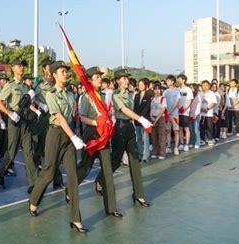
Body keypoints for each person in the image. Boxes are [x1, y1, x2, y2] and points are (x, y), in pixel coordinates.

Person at [28, 61, 88, 233]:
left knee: (72, 176)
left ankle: (76, 219)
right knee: (48, 172)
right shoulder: (51, 94)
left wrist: (74, 136)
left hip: (68, 136)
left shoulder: (70, 95)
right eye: (62, 71)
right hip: (55, 134)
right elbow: (60, 118)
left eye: (66, 72)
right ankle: (33, 200)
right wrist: (74, 136)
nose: (65, 74)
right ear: (54, 75)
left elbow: (70, 117)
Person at [95, 69, 152, 208]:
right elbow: (124, 110)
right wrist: (141, 119)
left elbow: (131, 110)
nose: (127, 81)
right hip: (119, 128)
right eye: (124, 78)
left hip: (130, 127)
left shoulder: (130, 94)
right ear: (117, 81)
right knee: (115, 160)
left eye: (127, 78)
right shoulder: (115, 95)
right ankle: (100, 179)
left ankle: (139, 195)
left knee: (134, 161)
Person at [76, 66, 122, 218]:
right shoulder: (86, 96)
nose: (100, 79)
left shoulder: (101, 96)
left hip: (104, 136)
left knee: (107, 170)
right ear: (89, 80)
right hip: (92, 134)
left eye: (100, 77)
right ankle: (70, 189)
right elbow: (81, 117)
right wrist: (97, 123)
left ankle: (111, 207)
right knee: (85, 168)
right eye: (96, 77)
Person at [0, 59, 38, 191]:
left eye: (23, 65)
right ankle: (0, 173)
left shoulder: (26, 87)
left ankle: (33, 183)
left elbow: (28, 104)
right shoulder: (11, 85)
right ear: (13, 68)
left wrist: (37, 109)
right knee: (12, 152)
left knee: (29, 151)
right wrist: (9, 113)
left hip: (26, 121)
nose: (22, 68)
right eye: (19, 66)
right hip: (14, 120)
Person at [31, 58, 64, 189]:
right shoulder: (39, 84)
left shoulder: (56, 82)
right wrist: (41, 105)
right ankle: (35, 169)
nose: (51, 68)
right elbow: (32, 97)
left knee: (54, 150)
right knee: (39, 146)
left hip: (56, 118)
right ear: (44, 69)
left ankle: (57, 179)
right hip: (44, 117)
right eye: (49, 66)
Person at [134, 78, 152, 162]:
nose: (140, 86)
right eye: (139, 85)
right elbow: (135, 108)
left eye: (142, 84)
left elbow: (147, 108)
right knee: (139, 138)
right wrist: (137, 117)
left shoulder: (149, 96)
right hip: (137, 120)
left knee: (146, 138)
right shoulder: (137, 95)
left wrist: (142, 118)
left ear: (146, 85)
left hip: (145, 120)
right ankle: (140, 155)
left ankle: (146, 156)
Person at [163, 75, 180, 155]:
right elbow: (162, 102)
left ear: (172, 81)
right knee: (168, 131)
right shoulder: (165, 92)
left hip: (174, 114)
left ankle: (176, 147)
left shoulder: (177, 91)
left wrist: (170, 111)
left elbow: (177, 102)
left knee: (176, 131)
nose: (167, 82)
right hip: (167, 114)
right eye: (167, 81)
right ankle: (168, 146)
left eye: (168, 80)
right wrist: (166, 112)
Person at [177, 74, 193, 152]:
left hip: (185, 112)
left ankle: (187, 144)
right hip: (177, 112)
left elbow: (189, 100)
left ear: (183, 80)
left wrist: (184, 108)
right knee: (180, 128)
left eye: (179, 79)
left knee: (186, 128)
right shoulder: (178, 89)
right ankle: (181, 143)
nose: (178, 81)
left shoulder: (188, 89)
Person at [150, 83, 167, 159]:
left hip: (161, 118)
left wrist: (156, 119)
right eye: (155, 89)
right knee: (154, 136)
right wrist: (151, 116)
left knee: (161, 136)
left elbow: (163, 109)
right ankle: (155, 151)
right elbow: (150, 109)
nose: (157, 91)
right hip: (152, 118)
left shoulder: (163, 98)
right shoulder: (152, 99)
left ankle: (162, 153)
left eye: (158, 89)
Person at [200, 80, 217, 146]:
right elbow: (197, 103)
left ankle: (210, 139)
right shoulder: (200, 93)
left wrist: (207, 109)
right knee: (202, 127)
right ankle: (202, 139)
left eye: (206, 85)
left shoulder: (211, 93)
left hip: (209, 113)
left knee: (209, 127)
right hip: (201, 113)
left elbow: (213, 102)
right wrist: (201, 109)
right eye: (203, 85)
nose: (205, 86)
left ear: (209, 86)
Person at [189, 83, 202, 148]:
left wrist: (194, 115)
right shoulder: (189, 95)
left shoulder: (198, 96)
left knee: (196, 129)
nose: (190, 88)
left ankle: (197, 142)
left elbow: (198, 107)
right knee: (190, 129)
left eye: (192, 87)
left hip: (196, 115)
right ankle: (192, 141)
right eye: (190, 87)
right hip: (189, 115)